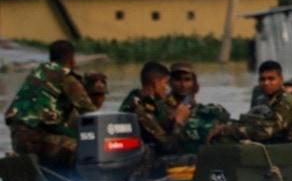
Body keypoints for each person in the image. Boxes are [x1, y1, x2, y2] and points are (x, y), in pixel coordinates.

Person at [4, 39, 98, 167]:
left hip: (17, 140)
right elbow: (90, 112)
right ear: (72, 60)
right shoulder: (66, 77)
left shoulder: (37, 73)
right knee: (89, 151)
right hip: (38, 140)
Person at [212, 61, 292, 144]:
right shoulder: (266, 100)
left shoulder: (287, 102)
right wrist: (227, 125)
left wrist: (229, 129)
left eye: (271, 79)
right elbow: (254, 123)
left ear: (281, 80)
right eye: (262, 79)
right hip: (279, 145)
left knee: (226, 137)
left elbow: (265, 131)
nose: (266, 83)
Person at [119, 61, 184, 155]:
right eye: (165, 83)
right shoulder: (140, 109)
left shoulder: (138, 99)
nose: (167, 88)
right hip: (142, 161)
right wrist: (179, 122)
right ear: (156, 83)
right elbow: (167, 147)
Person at [165, 62, 231, 151]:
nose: (183, 85)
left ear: (195, 84)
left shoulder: (202, 110)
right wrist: (178, 122)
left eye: (187, 80)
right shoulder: (163, 108)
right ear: (170, 82)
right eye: (178, 79)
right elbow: (167, 146)